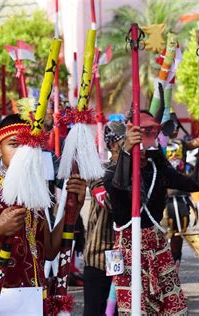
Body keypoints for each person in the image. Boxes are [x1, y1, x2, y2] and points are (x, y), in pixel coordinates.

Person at [0, 114, 87, 315]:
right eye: (14, 144)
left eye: (28, 146)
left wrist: (72, 209)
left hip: (34, 298)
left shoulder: (35, 191)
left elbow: (49, 251)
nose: (22, 152)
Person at [104, 111, 199, 315]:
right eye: (138, 136)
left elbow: (195, 183)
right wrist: (129, 151)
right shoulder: (110, 173)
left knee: (175, 308)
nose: (143, 144)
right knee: (135, 310)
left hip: (158, 246)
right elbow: (119, 187)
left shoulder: (157, 166)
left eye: (149, 135)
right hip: (127, 251)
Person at [83, 120, 126, 316]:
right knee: (95, 311)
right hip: (99, 255)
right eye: (125, 140)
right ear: (114, 145)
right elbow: (110, 204)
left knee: (117, 311)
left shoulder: (136, 173)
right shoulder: (98, 172)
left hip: (122, 254)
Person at [164, 112, 199, 268]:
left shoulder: (181, 143)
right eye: (170, 125)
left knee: (179, 231)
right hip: (164, 196)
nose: (173, 128)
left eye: (175, 125)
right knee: (165, 231)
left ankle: (175, 260)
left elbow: (196, 143)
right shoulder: (156, 145)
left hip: (180, 195)